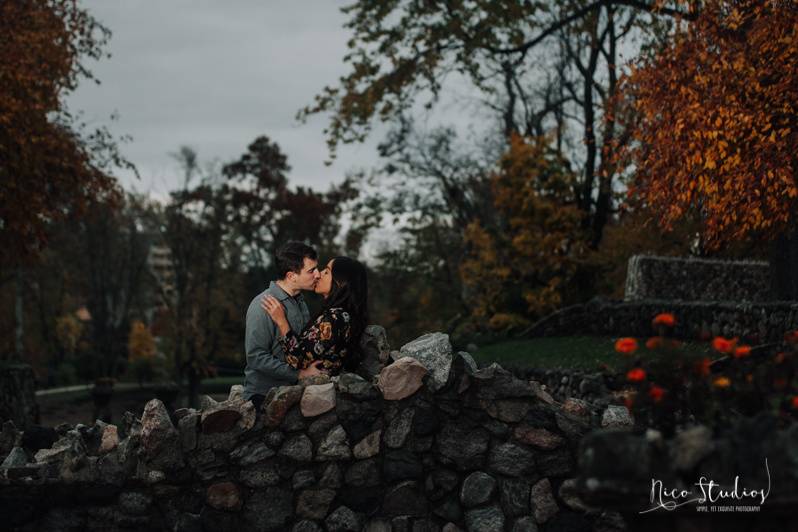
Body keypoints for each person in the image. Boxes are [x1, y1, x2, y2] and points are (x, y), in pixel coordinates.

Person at [243, 241, 325, 411]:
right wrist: (299, 374)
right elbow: (256, 357)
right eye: (311, 271)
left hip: (295, 392)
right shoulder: (262, 305)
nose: (317, 274)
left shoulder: (300, 301)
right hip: (264, 397)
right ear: (291, 276)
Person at [261, 256, 368, 376]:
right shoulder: (341, 315)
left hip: (319, 390)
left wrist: (281, 321)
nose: (318, 274)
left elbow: (298, 361)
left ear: (341, 283)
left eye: (326, 272)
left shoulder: (335, 318)